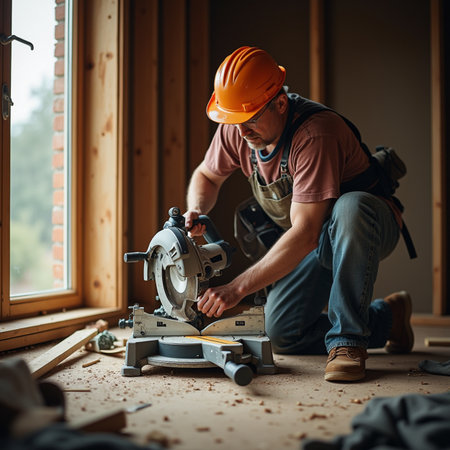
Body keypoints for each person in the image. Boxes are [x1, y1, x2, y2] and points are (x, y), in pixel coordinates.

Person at [184, 46, 414, 382]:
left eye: (250, 119)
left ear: (280, 103)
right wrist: (196, 209)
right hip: (318, 236)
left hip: (369, 225)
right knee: (282, 332)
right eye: (235, 121)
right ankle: (388, 319)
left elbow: (304, 231)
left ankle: (348, 341)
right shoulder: (238, 126)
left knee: (351, 207)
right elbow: (207, 175)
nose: (242, 132)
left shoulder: (314, 133)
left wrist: (236, 289)